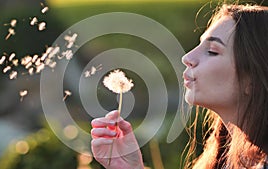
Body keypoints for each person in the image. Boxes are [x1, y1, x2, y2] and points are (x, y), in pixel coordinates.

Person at [90, 3, 268, 169]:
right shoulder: (224, 158)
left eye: (212, 51)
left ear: (254, 78)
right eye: (198, 45)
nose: (187, 58)